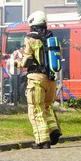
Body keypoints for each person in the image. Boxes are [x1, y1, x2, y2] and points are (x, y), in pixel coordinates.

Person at [20, 10, 61, 149]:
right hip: (51, 80)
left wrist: (18, 63)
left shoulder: (30, 38)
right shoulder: (52, 39)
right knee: (47, 107)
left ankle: (42, 141)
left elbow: (27, 59)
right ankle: (53, 130)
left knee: (36, 109)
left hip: (36, 79)